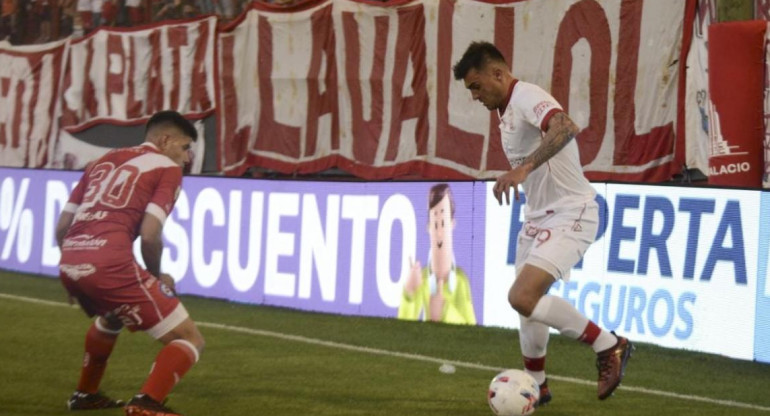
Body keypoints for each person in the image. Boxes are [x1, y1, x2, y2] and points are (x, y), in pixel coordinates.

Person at [453, 41, 633, 404]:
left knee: (522, 295)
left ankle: (609, 345)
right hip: (537, 217)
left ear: (498, 74)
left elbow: (565, 126)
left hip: (574, 212)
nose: (474, 95)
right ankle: (537, 383)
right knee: (526, 302)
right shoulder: (505, 111)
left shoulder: (525, 97)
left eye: (476, 85)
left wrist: (524, 167)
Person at [56, 110, 204, 416]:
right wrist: (155, 277)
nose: (187, 157)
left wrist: (70, 266)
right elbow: (150, 236)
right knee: (190, 339)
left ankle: (86, 393)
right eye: (185, 147)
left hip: (71, 258)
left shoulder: (102, 161)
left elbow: (62, 226)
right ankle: (147, 403)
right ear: (165, 140)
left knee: (112, 316)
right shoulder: (166, 167)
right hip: (109, 263)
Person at [398, 183, 476, 325]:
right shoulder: (422, 278)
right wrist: (409, 293)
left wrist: (443, 311)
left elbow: (471, 329)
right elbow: (402, 329)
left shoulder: (460, 281)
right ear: (428, 227)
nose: (439, 232)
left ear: (452, 223)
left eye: (443, 223)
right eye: (435, 224)